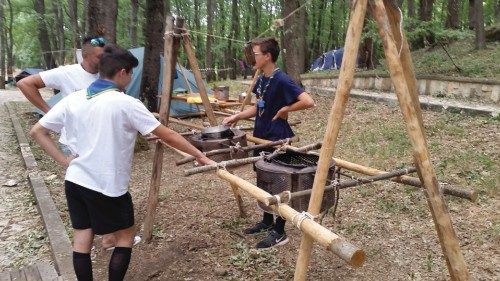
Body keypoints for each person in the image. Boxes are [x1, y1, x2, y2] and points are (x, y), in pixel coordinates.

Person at [29, 45, 215, 280]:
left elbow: (37, 131)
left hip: (75, 180)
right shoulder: (125, 103)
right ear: (122, 72)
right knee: (125, 237)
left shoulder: (74, 99)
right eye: (129, 74)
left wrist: (65, 161)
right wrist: (199, 155)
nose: (129, 78)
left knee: (82, 238)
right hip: (107, 184)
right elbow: (168, 134)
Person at [223, 37, 315, 249]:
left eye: (255, 54)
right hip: (261, 136)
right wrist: (237, 116)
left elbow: (308, 101)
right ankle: (266, 221)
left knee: (279, 183)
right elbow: (259, 108)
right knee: (263, 180)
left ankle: (280, 231)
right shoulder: (262, 79)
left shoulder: (282, 79)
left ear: (267, 56)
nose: (251, 58)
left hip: (277, 138)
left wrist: (285, 110)